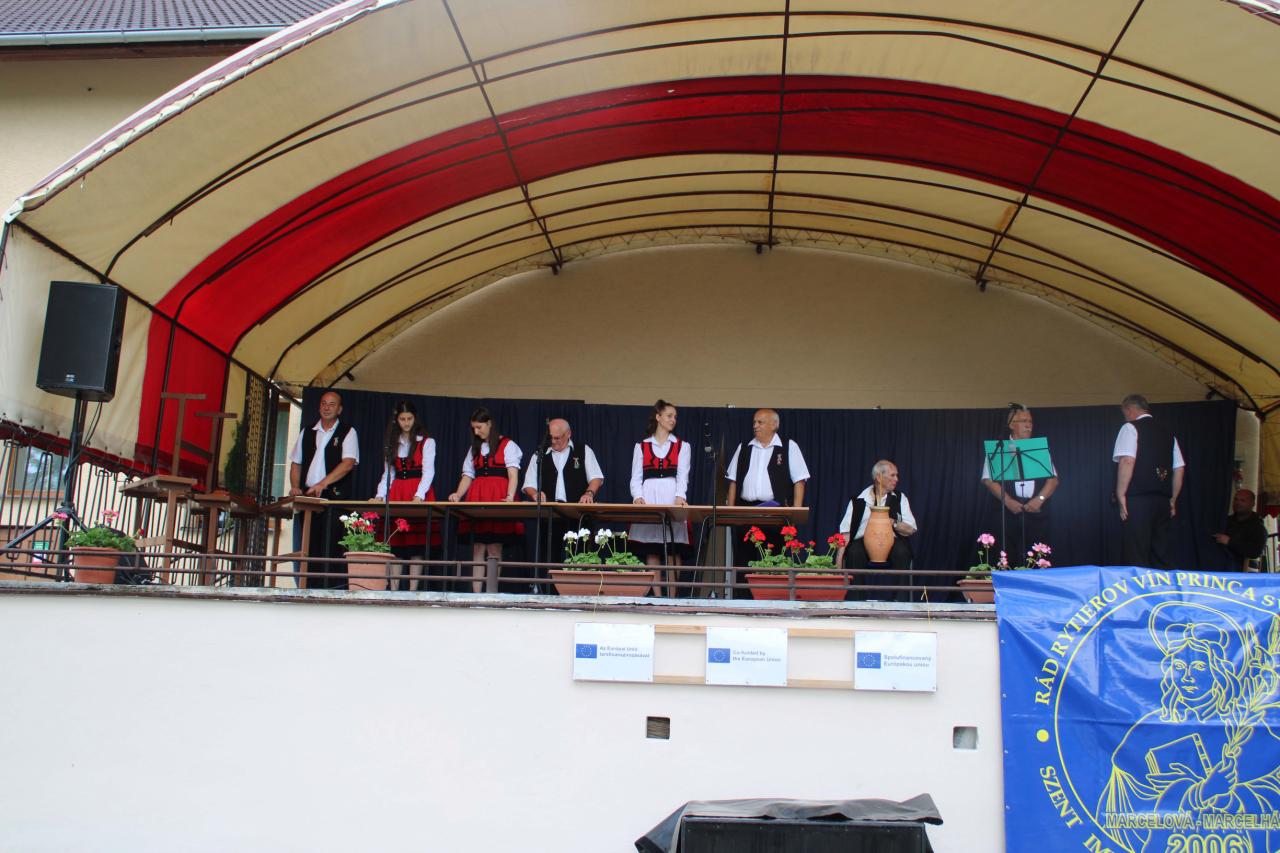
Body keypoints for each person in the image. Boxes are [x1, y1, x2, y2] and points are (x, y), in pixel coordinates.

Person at [725, 408, 810, 598]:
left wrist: (795, 512)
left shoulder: (788, 447)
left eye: (760, 422)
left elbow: (800, 481)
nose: (755, 426)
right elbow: (733, 481)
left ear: (774, 425)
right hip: (746, 512)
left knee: (774, 559)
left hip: (775, 512)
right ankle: (742, 603)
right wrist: (730, 511)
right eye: (754, 422)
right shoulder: (744, 447)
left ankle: (772, 600)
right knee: (743, 560)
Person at [288, 390, 359, 589]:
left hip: (334, 498)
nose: (327, 407)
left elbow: (348, 463)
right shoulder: (308, 431)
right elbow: (296, 463)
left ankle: (331, 589)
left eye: (332, 404)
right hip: (309, 498)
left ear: (340, 409)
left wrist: (323, 483)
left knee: (332, 545)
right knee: (309, 545)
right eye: (324, 403)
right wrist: (295, 487)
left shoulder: (348, 431)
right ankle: (308, 587)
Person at [447, 407, 522, 592]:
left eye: (479, 427)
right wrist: (458, 494)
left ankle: (491, 592)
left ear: (489, 424)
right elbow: (468, 475)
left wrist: (510, 497)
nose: (476, 431)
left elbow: (513, 474)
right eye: (473, 428)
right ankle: (476, 594)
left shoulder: (507, 444)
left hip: (497, 496)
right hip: (478, 497)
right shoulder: (475, 448)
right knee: (478, 547)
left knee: (495, 547)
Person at [521, 418, 604, 571]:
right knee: (550, 558)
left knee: (581, 557)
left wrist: (589, 493)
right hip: (551, 515)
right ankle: (550, 586)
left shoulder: (583, 450)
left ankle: (579, 586)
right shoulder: (540, 454)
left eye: (557, 438)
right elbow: (528, 484)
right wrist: (535, 494)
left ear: (568, 434)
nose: (553, 441)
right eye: (551, 437)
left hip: (578, 513)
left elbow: (596, 477)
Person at [1113, 394, 1184, 570]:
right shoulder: (1168, 433)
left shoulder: (1130, 428)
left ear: (1129, 409)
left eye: (1124, 413)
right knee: (1161, 552)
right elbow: (1179, 468)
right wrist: (1172, 500)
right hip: (1162, 501)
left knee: (1136, 552)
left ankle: (1138, 586)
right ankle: (1163, 586)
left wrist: (1120, 494)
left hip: (1138, 499)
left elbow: (1127, 461)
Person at [629, 400, 691, 596]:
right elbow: (635, 477)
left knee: (673, 549)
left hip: (671, 495)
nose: (673, 420)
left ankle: (672, 596)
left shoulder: (682, 446)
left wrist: (679, 496)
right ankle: (657, 596)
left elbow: (683, 476)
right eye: (669, 416)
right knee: (652, 549)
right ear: (658, 417)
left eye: (675, 417)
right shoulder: (642, 446)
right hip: (650, 495)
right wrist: (638, 496)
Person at [373, 400, 437, 590]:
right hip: (398, 492)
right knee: (396, 544)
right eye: (402, 419)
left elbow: (428, 472)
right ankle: (393, 590)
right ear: (397, 420)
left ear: (415, 418)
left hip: (418, 491)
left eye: (409, 418)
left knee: (416, 545)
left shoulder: (426, 442)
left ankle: (412, 590)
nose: (406, 422)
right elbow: (388, 474)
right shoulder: (391, 444)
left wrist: (419, 495)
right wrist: (380, 495)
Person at [980, 404, 1059, 558]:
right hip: (1007, 513)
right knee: (1006, 556)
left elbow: (1053, 480)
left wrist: (1039, 499)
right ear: (1011, 424)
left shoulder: (1038, 449)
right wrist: (1008, 501)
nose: (1028, 425)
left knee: (1037, 557)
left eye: (1030, 421)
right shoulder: (999, 448)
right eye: (1024, 421)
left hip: (1035, 512)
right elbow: (988, 480)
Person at [837, 460, 917, 601]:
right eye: (892, 475)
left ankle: (901, 601)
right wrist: (838, 567)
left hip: (892, 541)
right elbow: (845, 534)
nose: (896, 479)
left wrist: (892, 523)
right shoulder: (859, 501)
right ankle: (856, 601)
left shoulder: (900, 499)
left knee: (902, 552)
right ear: (879, 477)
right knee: (854, 553)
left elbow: (911, 529)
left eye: (896, 475)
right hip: (863, 541)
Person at [1213, 488, 1267, 570]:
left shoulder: (1257, 527)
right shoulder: (1227, 521)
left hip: (1238, 570)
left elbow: (1255, 551)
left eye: (1242, 500)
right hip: (1219, 564)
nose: (1238, 503)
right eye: (1236, 499)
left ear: (1252, 504)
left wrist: (1229, 542)